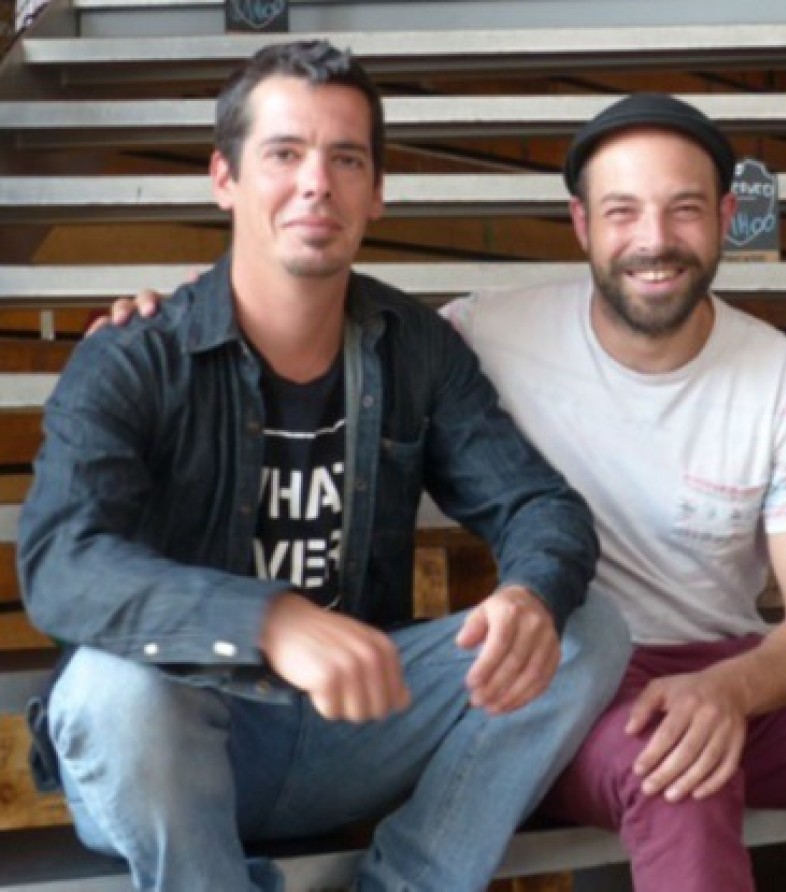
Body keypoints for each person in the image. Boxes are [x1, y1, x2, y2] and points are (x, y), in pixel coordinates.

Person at [17, 41, 632, 892]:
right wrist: (267, 620)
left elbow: (538, 505)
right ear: (224, 178)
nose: (317, 183)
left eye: (346, 158)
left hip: (349, 721)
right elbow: (61, 564)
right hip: (170, 750)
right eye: (283, 153)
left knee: (583, 630)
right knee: (114, 689)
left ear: (376, 191)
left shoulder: (414, 348)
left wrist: (529, 593)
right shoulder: (134, 356)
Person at [442, 94, 786, 891]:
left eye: (683, 209)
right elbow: (334, 334)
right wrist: (209, 301)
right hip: (573, 684)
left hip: (738, 678)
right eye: (622, 211)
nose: (653, 240)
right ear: (580, 224)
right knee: (680, 773)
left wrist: (726, 691)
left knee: (693, 743)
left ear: (724, 217)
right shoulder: (485, 334)